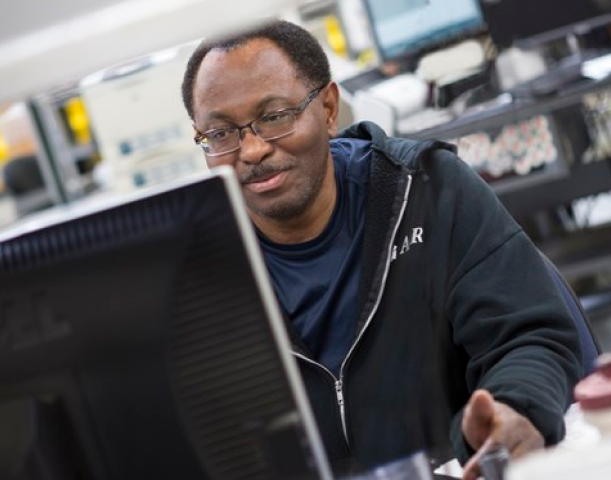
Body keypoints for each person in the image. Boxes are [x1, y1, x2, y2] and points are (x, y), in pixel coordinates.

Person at [180, 20, 581, 479]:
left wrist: (514, 409)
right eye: (221, 134)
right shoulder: (199, 274)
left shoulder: (428, 190)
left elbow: (530, 336)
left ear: (328, 108)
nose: (250, 151)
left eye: (274, 117)